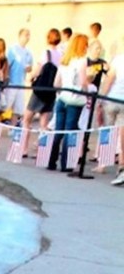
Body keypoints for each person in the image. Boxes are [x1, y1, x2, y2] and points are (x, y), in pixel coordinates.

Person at [49, 33, 89, 171]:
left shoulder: (64, 60)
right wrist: (87, 90)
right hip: (75, 100)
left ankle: (51, 161)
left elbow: (56, 83)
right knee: (69, 131)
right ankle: (65, 164)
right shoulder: (82, 61)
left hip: (62, 98)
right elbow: (83, 82)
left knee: (58, 131)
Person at [23, 28, 61, 140]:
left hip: (40, 90)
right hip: (51, 90)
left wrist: (30, 77)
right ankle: (42, 148)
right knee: (44, 122)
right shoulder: (61, 54)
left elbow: (38, 69)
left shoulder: (46, 53)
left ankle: (23, 148)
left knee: (27, 118)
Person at [98, 39, 124, 184]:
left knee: (108, 131)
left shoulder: (118, 60)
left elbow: (109, 79)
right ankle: (121, 164)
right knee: (122, 134)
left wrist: (102, 98)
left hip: (112, 98)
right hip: (123, 102)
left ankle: (103, 164)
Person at [4, 29, 33, 124]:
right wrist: (6, 77)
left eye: (28, 35)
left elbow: (30, 66)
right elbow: (7, 64)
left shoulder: (29, 52)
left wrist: (29, 69)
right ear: (20, 36)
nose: (27, 37)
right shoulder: (13, 49)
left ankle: (12, 127)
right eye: (25, 35)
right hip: (12, 82)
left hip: (21, 83)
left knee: (18, 108)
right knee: (5, 105)